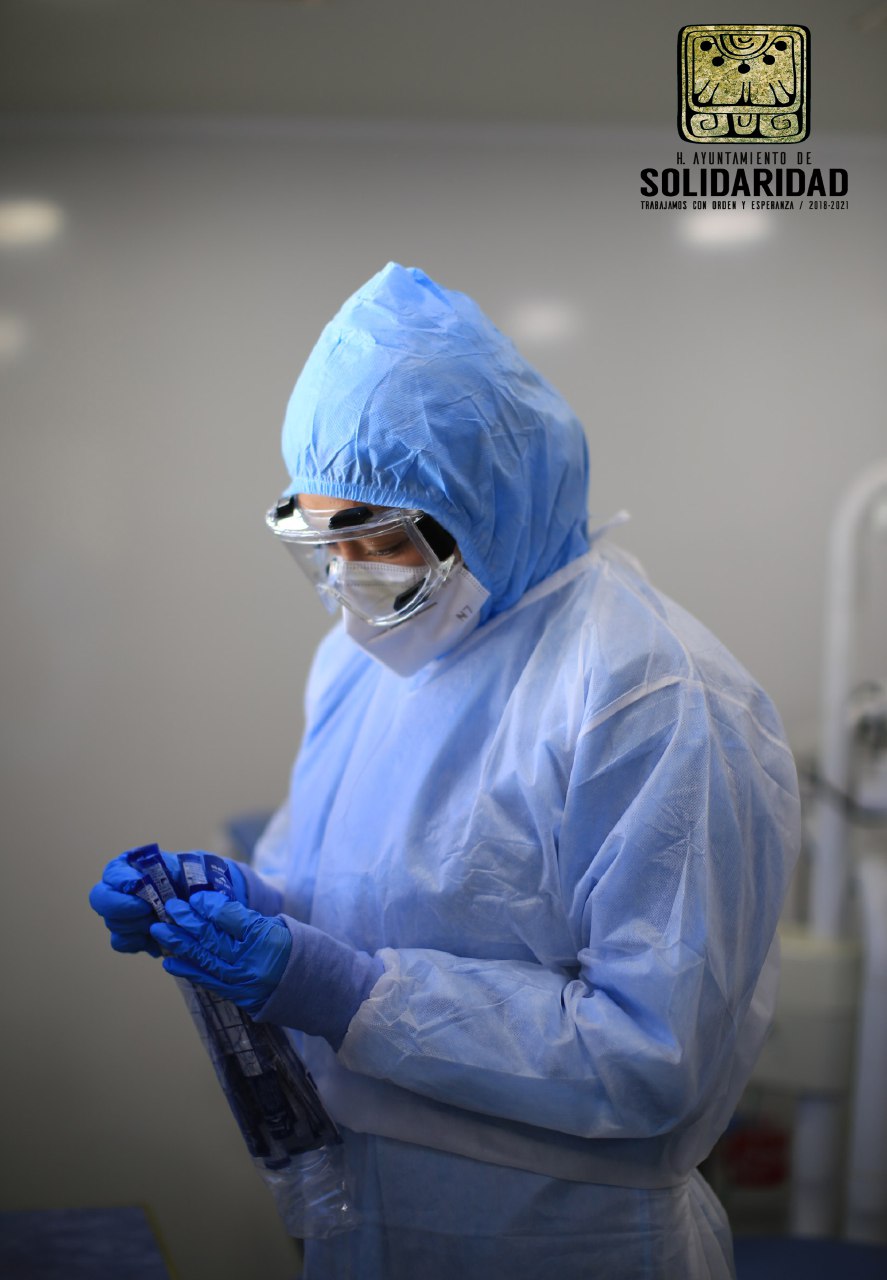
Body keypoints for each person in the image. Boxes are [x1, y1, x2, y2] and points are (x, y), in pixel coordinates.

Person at [90, 263, 800, 1279]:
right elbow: (351, 891)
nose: (349, 579)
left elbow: (654, 1057)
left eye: (376, 537)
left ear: (487, 504)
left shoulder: (650, 697)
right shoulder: (362, 660)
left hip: (561, 1236)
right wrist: (249, 903)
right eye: (324, 541)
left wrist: (347, 992)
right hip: (362, 1215)